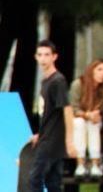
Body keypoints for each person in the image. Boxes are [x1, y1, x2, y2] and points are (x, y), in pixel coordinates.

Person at [28, 40, 77, 192]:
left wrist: (69, 141)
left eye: (47, 55)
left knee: (34, 178)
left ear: (54, 57)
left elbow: (67, 110)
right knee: (53, 182)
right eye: (40, 55)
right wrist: (40, 134)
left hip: (52, 141)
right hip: (47, 137)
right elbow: (48, 114)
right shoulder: (45, 81)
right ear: (36, 57)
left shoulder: (58, 81)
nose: (43, 58)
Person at [70, 59, 103, 177]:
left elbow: (102, 110)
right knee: (80, 123)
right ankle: (80, 164)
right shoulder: (78, 84)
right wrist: (87, 115)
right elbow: (73, 108)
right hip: (78, 118)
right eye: (99, 69)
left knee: (93, 125)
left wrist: (96, 115)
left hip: (94, 120)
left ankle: (95, 164)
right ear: (91, 70)